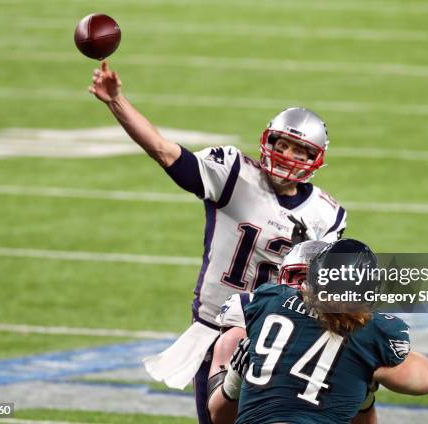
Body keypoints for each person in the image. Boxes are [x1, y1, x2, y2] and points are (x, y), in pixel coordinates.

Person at [89, 61, 348, 423]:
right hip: (217, 331)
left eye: (298, 150)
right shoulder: (234, 173)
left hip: (281, 338)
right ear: (267, 140)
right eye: (281, 144)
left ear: (314, 159)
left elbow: (328, 294)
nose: (287, 155)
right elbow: (164, 152)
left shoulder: (326, 214)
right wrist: (116, 101)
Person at [207, 239, 428, 424]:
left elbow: (217, 416)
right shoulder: (375, 332)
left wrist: (235, 377)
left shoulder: (268, 300)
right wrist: (372, 370)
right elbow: (425, 381)